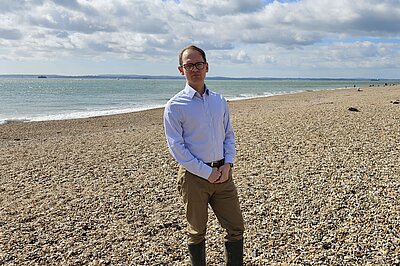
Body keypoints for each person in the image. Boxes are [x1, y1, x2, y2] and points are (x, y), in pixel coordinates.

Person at [163, 45, 245, 265]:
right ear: (181, 70)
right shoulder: (174, 106)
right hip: (194, 177)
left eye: (198, 64)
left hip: (223, 173)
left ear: (206, 67)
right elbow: (177, 148)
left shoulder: (218, 100)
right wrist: (206, 172)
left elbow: (228, 134)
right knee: (197, 231)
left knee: (236, 228)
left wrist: (228, 164)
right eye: (189, 65)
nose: (194, 69)